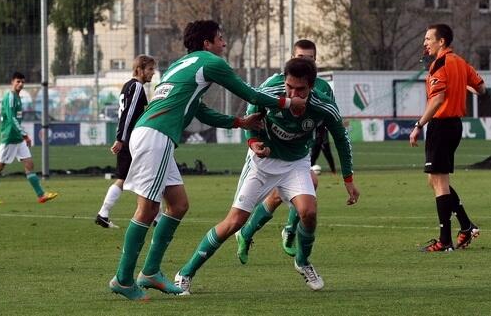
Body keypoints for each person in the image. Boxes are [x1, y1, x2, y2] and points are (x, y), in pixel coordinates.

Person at [108, 19, 306, 301]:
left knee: (178, 205)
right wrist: (287, 103)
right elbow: (248, 93)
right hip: (157, 135)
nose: (224, 43)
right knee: (148, 209)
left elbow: (199, 110)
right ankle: (124, 279)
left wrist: (238, 121)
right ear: (207, 43)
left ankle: (150, 272)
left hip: (153, 133)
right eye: (220, 38)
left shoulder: (181, 65)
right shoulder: (210, 63)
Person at [173, 58, 360, 295]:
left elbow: (342, 140)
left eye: (300, 89)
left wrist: (348, 180)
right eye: (289, 87)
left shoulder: (324, 105)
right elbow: (251, 113)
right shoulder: (270, 91)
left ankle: (302, 262)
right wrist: (253, 142)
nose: (292, 93)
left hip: (295, 163)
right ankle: (185, 274)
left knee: (309, 212)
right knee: (234, 222)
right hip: (263, 163)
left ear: (311, 87)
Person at [235, 39, 336, 261]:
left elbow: (329, 116)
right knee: (275, 197)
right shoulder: (276, 82)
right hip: (270, 150)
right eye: (300, 58)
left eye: (309, 59)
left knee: (306, 188)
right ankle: (248, 232)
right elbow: (255, 105)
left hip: (297, 153)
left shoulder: (323, 88)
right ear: (292, 57)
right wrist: (254, 140)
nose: (304, 62)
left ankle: (287, 231)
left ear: (315, 61)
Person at [410, 24, 485, 252]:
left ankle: (445, 240)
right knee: (434, 180)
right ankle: (466, 225)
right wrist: (465, 87)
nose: (425, 43)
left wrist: (418, 125)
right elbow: (481, 88)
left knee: (439, 183)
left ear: (441, 41)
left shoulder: (439, 64)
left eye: (428, 38)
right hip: (454, 126)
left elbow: (437, 99)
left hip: (441, 126)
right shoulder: (461, 62)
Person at [95, 55, 155, 229]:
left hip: (130, 139)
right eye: (150, 69)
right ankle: (156, 217)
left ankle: (103, 214)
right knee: (147, 176)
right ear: (139, 70)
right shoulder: (136, 86)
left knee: (125, 178)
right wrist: (121, 138)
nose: (152, 73)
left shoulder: (129, 86)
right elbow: (128, 114)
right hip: (132, 141)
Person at [0, 72, 58, 205]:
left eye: (23, 82)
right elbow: (12, 119)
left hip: (17, 138)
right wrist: (25, 135)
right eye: (18, 81)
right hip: (9, 137)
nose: (21, 84)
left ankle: (41, 195)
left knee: (29, 163)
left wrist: (22, 136)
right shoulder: (10, 97)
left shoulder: (18, 98)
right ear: (12, 82)